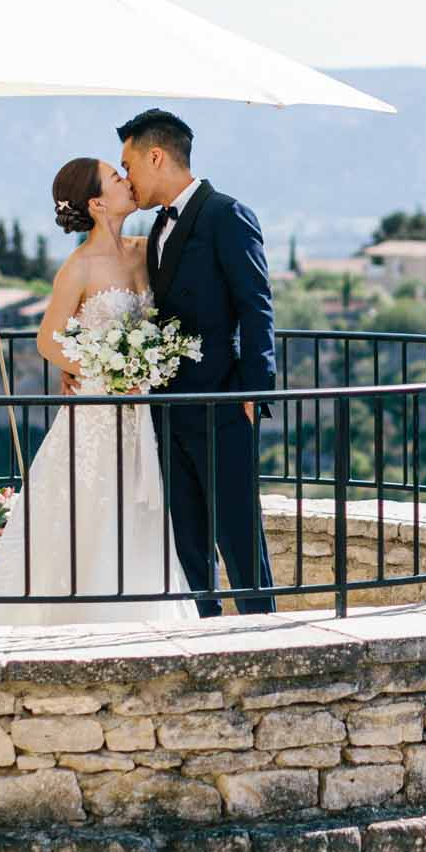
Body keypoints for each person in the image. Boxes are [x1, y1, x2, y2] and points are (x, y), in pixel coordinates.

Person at [0, 156, 201, 628]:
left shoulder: (144, 249)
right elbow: (49, 339)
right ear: (96, 203)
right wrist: (105, 372)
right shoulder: (79, 267)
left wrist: (143, 366)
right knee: (90, 512)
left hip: (141, 414)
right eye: (116, 178)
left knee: (140, 510)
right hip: (95, 412)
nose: (127, 181)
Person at [115, 108, 276, 618]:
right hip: (168, 407)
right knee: (188, 540)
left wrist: (254, 394)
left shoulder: (226, 214)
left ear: (156, 156)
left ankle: (264, 639)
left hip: (223, 404)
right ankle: (206, 638)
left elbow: (257, 306)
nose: (127, 178)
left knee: (239, 539)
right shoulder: (159, 228)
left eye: (129, 163)